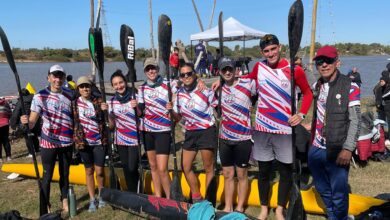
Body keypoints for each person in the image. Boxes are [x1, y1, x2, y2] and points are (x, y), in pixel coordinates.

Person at [213, 34, 313, 220]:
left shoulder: (294, 70)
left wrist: (301, 114)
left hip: (284, 129)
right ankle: (264, 209)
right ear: (262, 52)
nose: (270, 53)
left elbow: (307, 93)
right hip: (262, 130)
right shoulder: (259, 67)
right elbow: (242, 79)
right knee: (264, 172)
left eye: (273, 49)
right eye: (266, 51)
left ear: (280, 47)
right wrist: (221, 80)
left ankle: (280, 210)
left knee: (284, 172)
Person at [308, 45, 361, 220]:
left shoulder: (350, 86)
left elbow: (355, 120)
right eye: (320, 62)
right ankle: (334, 216)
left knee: (338, 193)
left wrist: (348, 148)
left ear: (337, 62)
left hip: (337, 148)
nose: (324, 65)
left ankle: (340, 217)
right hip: (316, 148)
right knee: (322, 189)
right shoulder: (317, 85)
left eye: (328, 61)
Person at [20, 64, 74, 213]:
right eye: (55, 76)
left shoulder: (70, 94)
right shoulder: (39, 96)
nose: (58, 79)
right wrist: (26, 122)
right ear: (48, 77)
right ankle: (46, 205)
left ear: (64, 78)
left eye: (60, 76)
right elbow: (32, 122)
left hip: (67, 141)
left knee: (65, 173)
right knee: (47, 175)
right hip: (48, 142)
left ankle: (64, 201)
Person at [167, 62, 217, 203]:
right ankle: (197, 197)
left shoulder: (205, 90)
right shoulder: (178, 94)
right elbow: (179, 118)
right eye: (183, 75)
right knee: (186, 166)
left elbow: (218, 108)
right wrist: (171, 110)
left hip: (206, 130)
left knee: (208, 167)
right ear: (180, 77)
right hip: (190, 132)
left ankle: (209, 200)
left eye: (189, 73)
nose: (186, 76)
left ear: (194, 74)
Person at [217, 57, 256, 212]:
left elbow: (262, 78)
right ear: (219, 72)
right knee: (227, 174)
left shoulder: (248, 84)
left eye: (230, 69)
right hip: (225, 138)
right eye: (224, 69)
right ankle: (228, 207)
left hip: (243, 138)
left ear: (235, 70)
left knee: (241, 174)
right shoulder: (218, 89)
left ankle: (240, 207)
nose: (227, 72)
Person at [138, 58, 176, 198]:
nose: (151, 71)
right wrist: (135, 107)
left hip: (163, 131)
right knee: (153, 167)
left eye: (153, 68)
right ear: (145, 71)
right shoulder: (141, 89)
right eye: (148, 69)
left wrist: (173, 103)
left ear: (158, 69)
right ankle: (158, 197)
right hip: (147, 131)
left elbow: (183, 88)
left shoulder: (169, 84)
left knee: (162, 169)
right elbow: (140, 112)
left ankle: (171, 199)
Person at [103, 70, 142, 192]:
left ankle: (138, 192)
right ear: (113, 86)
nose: (119, 86)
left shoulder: (134, 97)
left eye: (121, 82)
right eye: (115, 84)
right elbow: (111, 125)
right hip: (120, 140)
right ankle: (131, 193)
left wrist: (136, 107)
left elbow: (141, 115)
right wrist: (106, 113)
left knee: (132, 167)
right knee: (126, 168)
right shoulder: (112, 102)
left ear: (125, 82)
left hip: (135, 139)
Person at [73, 76, 106, 212]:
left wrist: (106, 109)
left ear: (91, 87)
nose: (85, 89)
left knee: (99, 172)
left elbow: (107, 119)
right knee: (89, 170)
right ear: (78, 89)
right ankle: (92, 199)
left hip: (99, 141)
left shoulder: (98, 101)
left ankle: (102, 196)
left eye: (87, 86)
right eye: (82, 87)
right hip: (83, 142)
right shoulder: (74, 104)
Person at [10, 88, 40, 157]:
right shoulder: (34, 99)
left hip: (25, 122)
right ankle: (37, 150)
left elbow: (16, 113)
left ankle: (31, 153)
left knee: (28, 137)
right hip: (36, 121)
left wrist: (13, 124)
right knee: (35, 136)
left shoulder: (21, 101)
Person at [0, 97, 12, 162]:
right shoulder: (5, 103)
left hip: (4, 123)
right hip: (5, 123)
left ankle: (0, 158)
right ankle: (8, 156)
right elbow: (10, 112)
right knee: (6, 140)